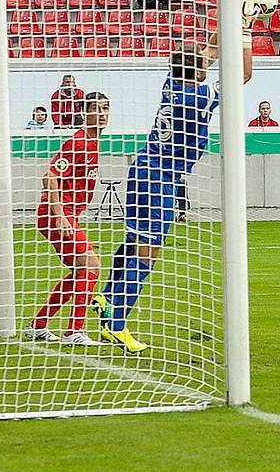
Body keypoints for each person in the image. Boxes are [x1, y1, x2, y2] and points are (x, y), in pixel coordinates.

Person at [95, 35, 253, 354]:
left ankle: (108, 299)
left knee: (134, 238)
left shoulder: (173, 82)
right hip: (160, 179)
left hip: (142, 169)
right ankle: (117, 324)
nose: (207, 61)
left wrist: (234, 16)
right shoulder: (198, 96)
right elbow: (244, 74)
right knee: (148, 251)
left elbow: (208, 48)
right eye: (203, 62)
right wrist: (246, 33)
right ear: (197, 71)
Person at [22, 92, 110, 346]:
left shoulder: (94, 141)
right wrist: (61, 216)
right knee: (92, 265)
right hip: (57, 215)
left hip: (66, 214)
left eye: (106, 108)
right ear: (85, 112)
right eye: (97, 109)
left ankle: (38, 325)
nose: (102, 114)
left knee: (79, 271)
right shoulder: (79, 141)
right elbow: (50, 175)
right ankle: (74, 332)